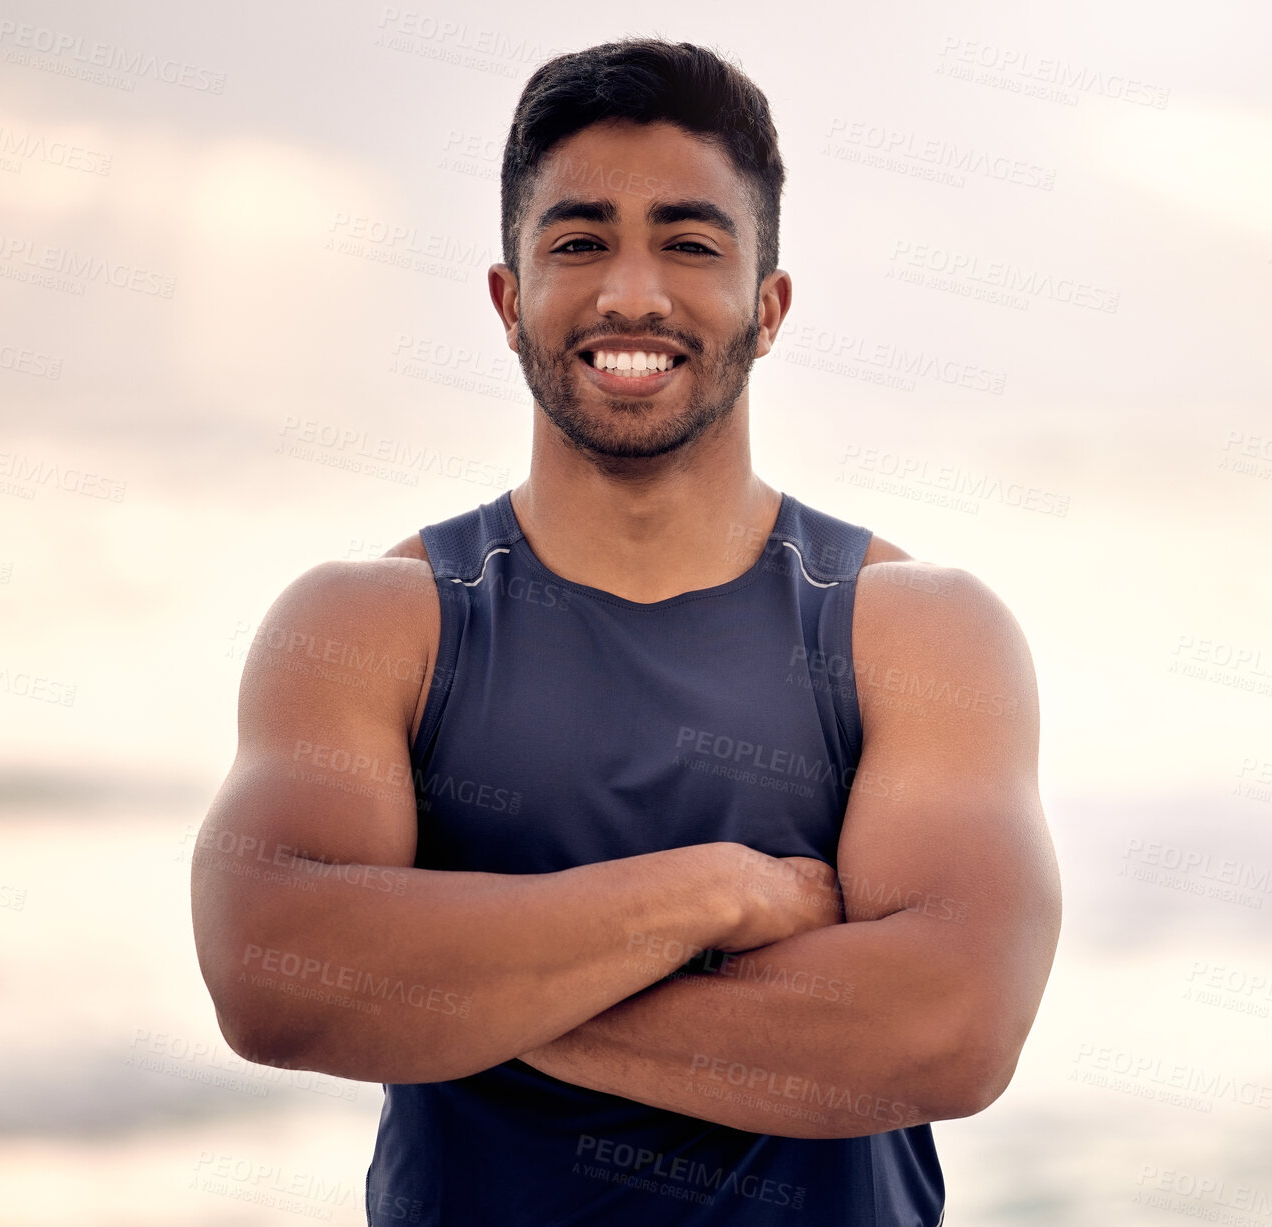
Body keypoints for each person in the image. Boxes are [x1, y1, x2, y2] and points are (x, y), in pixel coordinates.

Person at [190, 36, 1060, 1226]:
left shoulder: (912, 632)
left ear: (769, 306)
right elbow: (273, 979)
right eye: (579, 241)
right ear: (509, 299)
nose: (633, 294)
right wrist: (706, 896)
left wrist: (465, 990)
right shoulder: (373, 625)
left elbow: (946, 1031)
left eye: (691, 245)